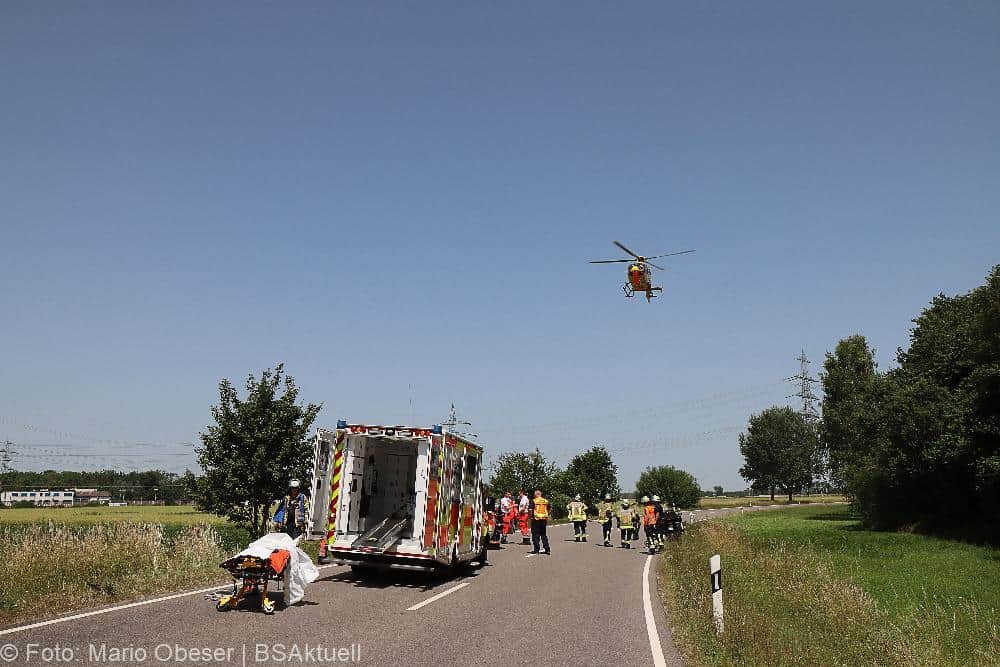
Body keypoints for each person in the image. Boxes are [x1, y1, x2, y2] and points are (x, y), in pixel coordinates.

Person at [529, 489, 551, 554]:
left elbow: (530, 510)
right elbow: (549, 509)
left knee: (535, 535)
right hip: (544, 519)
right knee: (543, 534)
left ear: (535, 494)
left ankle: (536, 549)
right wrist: (547, 515)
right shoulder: (545, 501)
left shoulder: (534, 501)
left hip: (536, 519)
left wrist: (531, 517)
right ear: (540, 494)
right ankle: (547, 548)